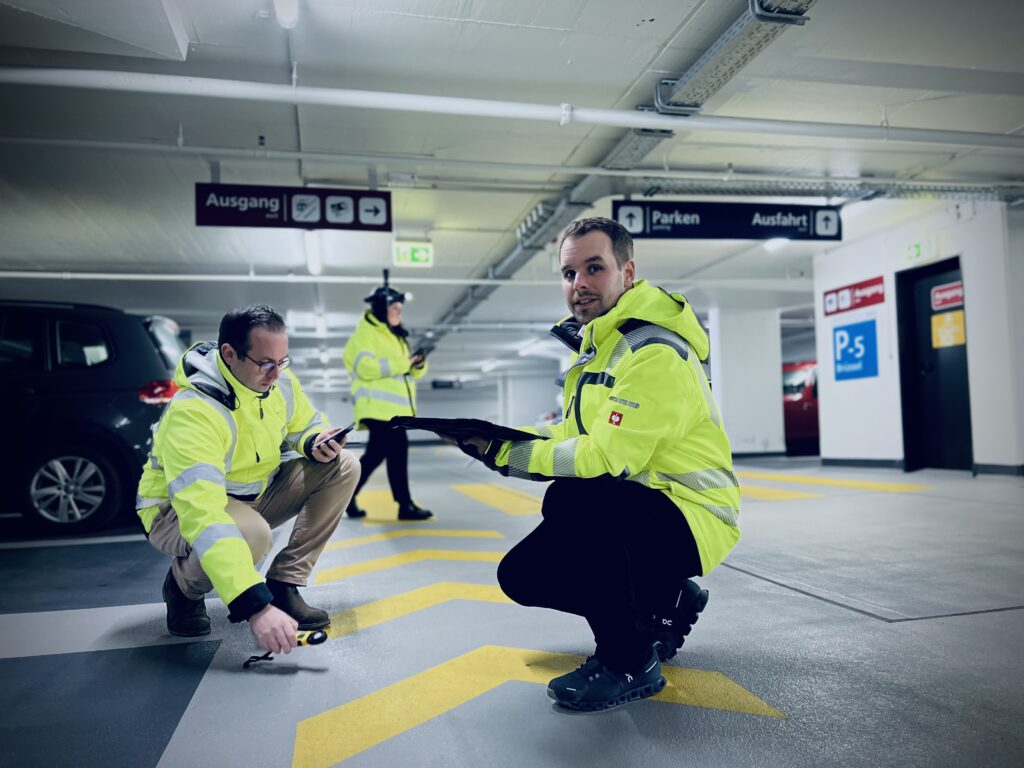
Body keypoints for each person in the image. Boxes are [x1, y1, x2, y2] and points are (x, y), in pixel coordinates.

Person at [452, 217, 740, 712]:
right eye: (569, 273)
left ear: (627, 272)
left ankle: (629, 660)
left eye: (594, 268)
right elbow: (573, 437)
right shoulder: (599, 349)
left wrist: (508, 455)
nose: (579, 284)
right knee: (522, 575)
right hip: (645, 510)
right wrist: (497, 440)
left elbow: (607, 457)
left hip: (694, 514)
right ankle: (663, 602)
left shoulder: (654, 352)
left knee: (578, 495)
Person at [137, 304, 360, 656]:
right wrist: (254, 606)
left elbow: (305, 422)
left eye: (282, 361)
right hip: (176, 511)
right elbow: (204, 513)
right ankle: (182, 589)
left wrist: (314, 441)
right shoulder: (194, 411)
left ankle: (285, 583)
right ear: (229, 354)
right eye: (265, 363)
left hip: (253, 495)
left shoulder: (280, 383)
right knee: (251, 535)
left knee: (344, 465)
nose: (276, 374)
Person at [342, 276, 432, 520]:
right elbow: (366, 368)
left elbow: (407, 372)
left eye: (399, 309)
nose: (397, 313)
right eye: (393, 308)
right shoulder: (366, 334)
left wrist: (417, 365)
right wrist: (405, 363)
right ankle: (404, 505)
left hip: (391, 411)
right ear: (381, 308)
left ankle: (349, 499)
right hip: (377, 409)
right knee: (392, 453)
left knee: (377, 456)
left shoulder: (395, 336)